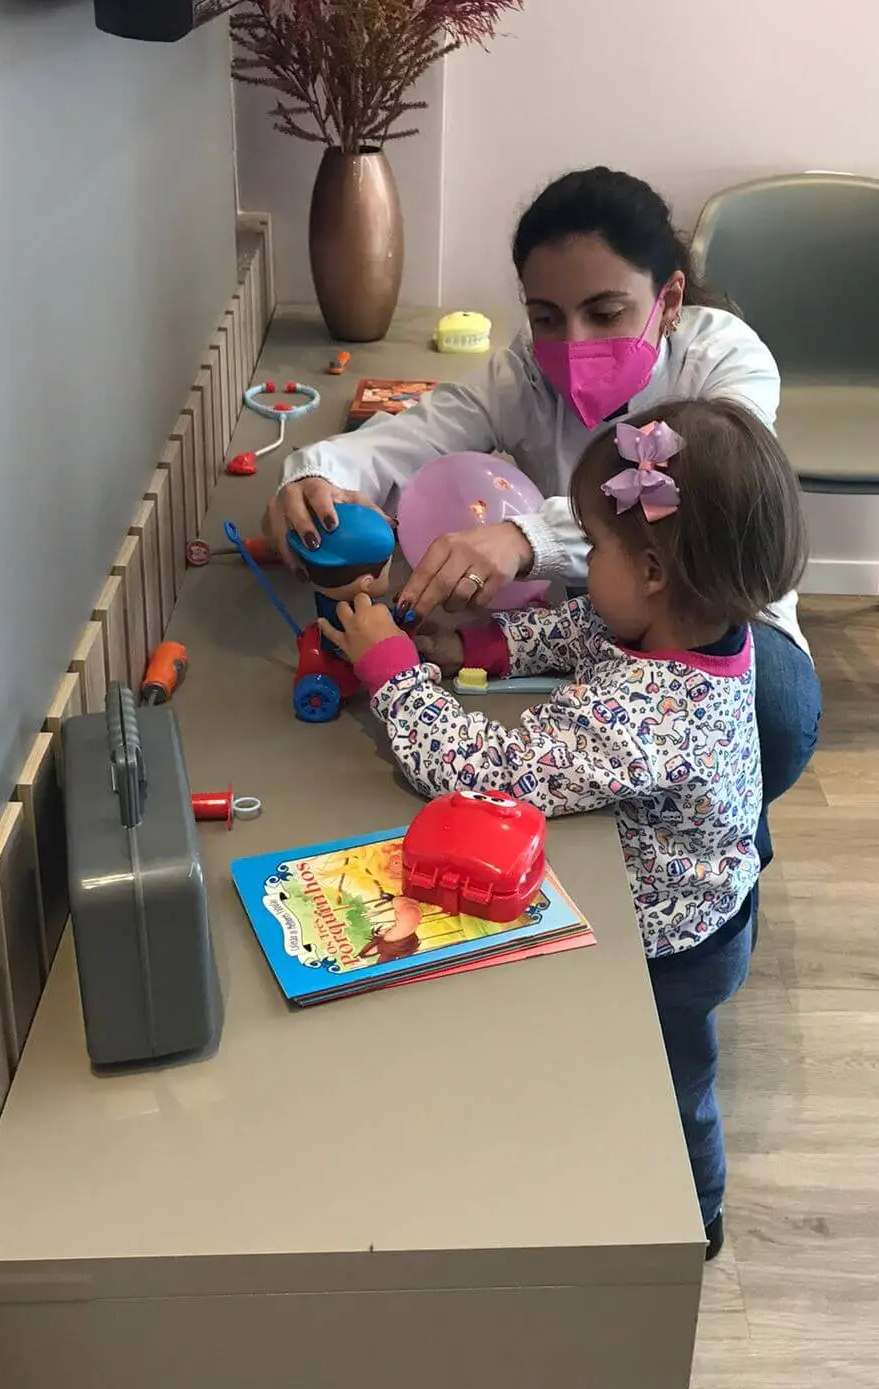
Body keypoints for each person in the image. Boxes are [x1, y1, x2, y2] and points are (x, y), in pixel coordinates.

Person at [316, 398, 809, 1256]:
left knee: (674, 1079)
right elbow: (582, 627)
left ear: (651, 571)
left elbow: (479, 775)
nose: (578, 564)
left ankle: (698, 1215)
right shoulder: (679, 627)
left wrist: (390, 667)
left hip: (675, 946)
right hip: (690, 894)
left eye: (592, 544)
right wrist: (477, 650)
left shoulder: (650, 713)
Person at [264, 166, 821, 873]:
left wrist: (527, 539)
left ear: (670, 298)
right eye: (547, 316)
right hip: (607, 609)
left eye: (606, 312)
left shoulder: (726, 362)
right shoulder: (525, 373)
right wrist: (314, 478)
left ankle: (717, 860)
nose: (573, 341)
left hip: (709, 614)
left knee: (762, 704)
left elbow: (702, 501)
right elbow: (407, 439)